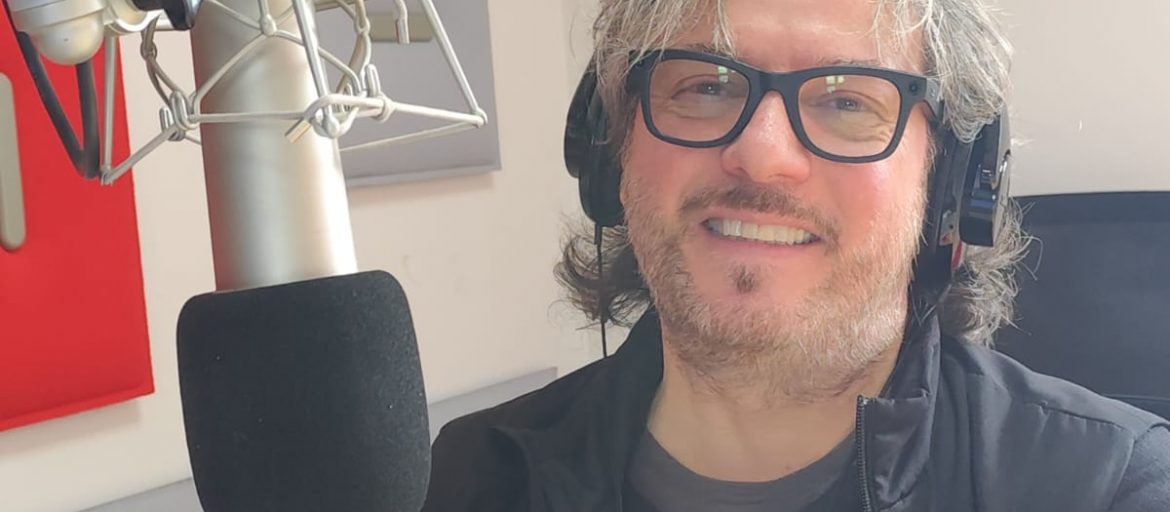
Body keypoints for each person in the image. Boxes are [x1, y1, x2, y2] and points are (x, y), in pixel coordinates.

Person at [423, 0, 1170, 510]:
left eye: (847, 101)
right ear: (608, 151)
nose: (761, 154)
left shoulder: (1109, 486)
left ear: (951, 182)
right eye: (704, 86)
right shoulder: (475, 472)